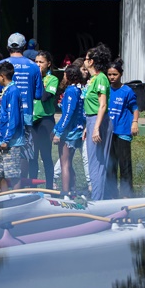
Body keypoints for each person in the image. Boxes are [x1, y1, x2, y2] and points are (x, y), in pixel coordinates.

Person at [5, 33, 42, 170]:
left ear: (8, 46)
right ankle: (21, 186)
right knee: (24, 152)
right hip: (26, 115)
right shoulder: (34, 67)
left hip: (5, 115)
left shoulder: (2, 64)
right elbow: (38, 94)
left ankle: (4, 186)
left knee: (4, 149)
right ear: (24, 47)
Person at [0, 60, 25, 190]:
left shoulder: (13, 91)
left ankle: (17, 201)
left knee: (12, 173)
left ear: (2, 76)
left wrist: (7, 139)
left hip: (10, 140)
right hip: (0, 137)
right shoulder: (6, 90)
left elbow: (13, 118)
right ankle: (5, 196)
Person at [104, 60, 139, 198]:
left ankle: (127, 194)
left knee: (124, 165)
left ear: (121, 74)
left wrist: (134, 122)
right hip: (108, 131)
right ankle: (112, 194)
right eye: (109, 74)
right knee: (110, 164)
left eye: (115, 74)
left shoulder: (127, 91)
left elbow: (135, 108)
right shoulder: (105, 88)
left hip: (123, 130)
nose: (112, 77)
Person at [83, 44, 113, 199]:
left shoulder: (101, 78)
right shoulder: (93, 79)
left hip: (99, 121)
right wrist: (88, 127)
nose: (84, 60)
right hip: (92, 120)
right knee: (94, 162)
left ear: (92, 61)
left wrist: (96, 128)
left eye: (86, 58)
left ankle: (97, 200)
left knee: (97, 164)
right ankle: (98, 196)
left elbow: (102, 105)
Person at [53, 63, 86, 196]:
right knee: (69, 162)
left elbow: (68, 113)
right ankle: (72, 189)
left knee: (64, 163)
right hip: (75, 129)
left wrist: (59, 132)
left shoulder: (71, 91)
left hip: (70, 132)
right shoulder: (78, 90)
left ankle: (65, 193)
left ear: (68, 76)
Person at [30, 51, 59, 187]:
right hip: (32, 120)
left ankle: (49, 187)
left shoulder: (52, 79)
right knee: (32, 156)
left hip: (45, 121)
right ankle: (32, 187)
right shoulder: (31, 78)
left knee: (46, 155)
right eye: (36, 62)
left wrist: (38, 79)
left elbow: (45, 97)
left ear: (48, 64)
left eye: (41, 62)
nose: (38, 65)